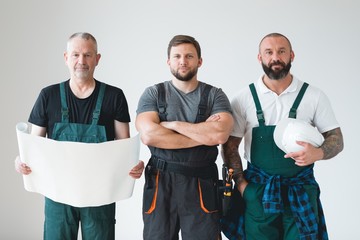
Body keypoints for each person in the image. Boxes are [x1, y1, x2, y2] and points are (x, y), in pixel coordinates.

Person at [14, 32, 144, 240]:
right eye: (75, 55)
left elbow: (124, 147)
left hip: (101, 196)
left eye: (87, 55)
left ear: (97, 59)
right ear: (66, 58)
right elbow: (33, 145)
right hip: (57, 195)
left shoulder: (114, 96)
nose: (81, 61)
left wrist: (134, 166)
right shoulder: (48, 96)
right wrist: (21, 160)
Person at [221, 32, 344, 240]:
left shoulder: (313, 96)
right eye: (268, 52)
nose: (275, 57)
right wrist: (242, 187)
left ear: (292, 55)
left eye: (281, 51)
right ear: (260, 58)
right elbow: (229, 146)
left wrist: (319, 153)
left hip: (300, 189)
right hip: (258, 191)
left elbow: (336, 138)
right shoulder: (244, 98)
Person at [136, 34, 234, 240]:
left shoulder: (215, 95)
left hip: (202, 182)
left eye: (189, 56)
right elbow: (149, 135)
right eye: (177, 56)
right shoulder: (153, 94)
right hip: (161, 182)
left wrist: (172, 125)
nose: (183, 61)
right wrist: (203, 134)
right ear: (168, 61)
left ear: (199, 61)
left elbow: (220, 133)